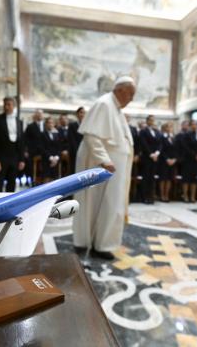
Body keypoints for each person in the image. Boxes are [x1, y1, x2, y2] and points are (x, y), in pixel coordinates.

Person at [73, 76, 135, 260]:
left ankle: (103, 242)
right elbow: (91, 136)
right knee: (96, 206)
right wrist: (105, 160)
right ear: (120, 90)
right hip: (102, 167)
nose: (131, 98)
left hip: (112, 169)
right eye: (131, 93)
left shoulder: (115, 108)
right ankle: (90, 243)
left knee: (111, 206)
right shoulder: (104, 104)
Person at [0, 97, 25, 192]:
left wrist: (21, 159)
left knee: (12, 184)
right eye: (5, 104)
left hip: (14, 157)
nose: (6, 107)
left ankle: (10, 206)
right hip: (1, 157)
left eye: (9, 104)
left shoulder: (19, 122)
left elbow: (21, 141)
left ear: (14, 106)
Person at [139, 115, 162, 204]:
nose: (152, 122)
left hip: (155, 158)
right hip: (147, 157)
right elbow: (144, 143)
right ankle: (144, 197)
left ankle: (151, 196)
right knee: (146, 177)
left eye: (153, 120)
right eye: (150, 120)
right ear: (147, 121)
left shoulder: (157, 131)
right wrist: (151, 154)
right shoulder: (143, 131)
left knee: (152, 178)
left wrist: (157, 153)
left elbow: (160, 143)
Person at [181, 120, 197, 203]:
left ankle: (192, 196)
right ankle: (185, 196)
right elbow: (186, 147)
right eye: (193, 125)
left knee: (194, 179)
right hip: (188, 159)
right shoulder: (186, 135)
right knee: (186, 179)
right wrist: (196, 155)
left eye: (196, 124)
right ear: (190, 126)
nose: (194, 126)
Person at [24, 110, 45, 183]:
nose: (39, 115)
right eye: (38, 114)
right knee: (32, 169)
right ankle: (33, 183)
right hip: (33, 151)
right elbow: (25, 139)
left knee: (43, 169)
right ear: (35, 115)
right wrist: (26, 151)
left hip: (44, 152)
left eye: (41, 114)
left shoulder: (46, 125)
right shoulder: (30, 126)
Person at [158, 122, 177, 202]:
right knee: (163, 178)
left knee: (169, 178)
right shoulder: (161, 137)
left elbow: (176, 149)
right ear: (164, 128)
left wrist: (174, 159)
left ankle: (167, 195)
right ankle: (162, 195)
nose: (169, 129)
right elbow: (161, 149)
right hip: (164, 161)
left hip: (172, 161)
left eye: (170, 127)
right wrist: (167, 159)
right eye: (167, 127)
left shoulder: (174, 138)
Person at [40, 117, 61, 183]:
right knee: (47, 179)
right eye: (48, 123)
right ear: (46, 124)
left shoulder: (57, 134)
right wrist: (51, 158)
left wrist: (56, 157)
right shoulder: (42, 134)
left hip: (56, 160)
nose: (50, 124)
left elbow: (59, 147)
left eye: (52, 123)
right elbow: (42, 148)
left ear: (54, 124)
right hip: (46, 159)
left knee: (55, 180)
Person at [68, 107, 85, 174]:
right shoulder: (72, 125)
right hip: (75, 151)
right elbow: (72, 140)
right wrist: (77, 152)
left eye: (83, 113)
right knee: (74, 170)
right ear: (77, 114)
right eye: (81, 112)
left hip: (84, 151)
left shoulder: (86, 125)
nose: (82, 114)